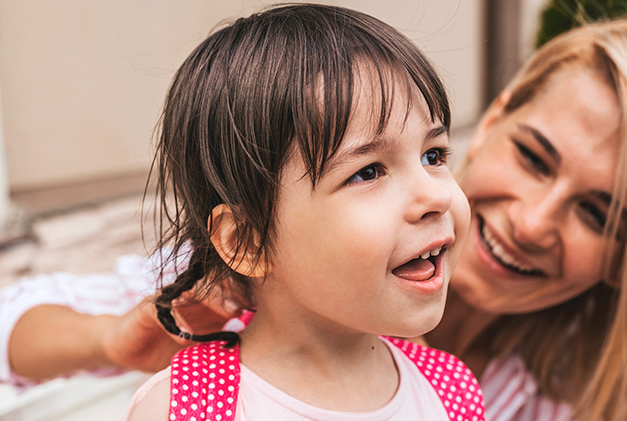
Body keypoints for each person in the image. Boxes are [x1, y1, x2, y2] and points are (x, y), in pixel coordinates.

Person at [0, 15, 627, 421]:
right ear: (503, 110)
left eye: (599, 213)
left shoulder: (490, 395)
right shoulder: (213, 343)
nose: (535, 220)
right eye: (537, 157)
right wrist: (115, 337)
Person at [119, 4, 482, 419]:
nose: (434, 196)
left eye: (433, 155)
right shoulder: (188, 407)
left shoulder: (450, 390)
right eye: (367, 172)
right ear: (247, 242)